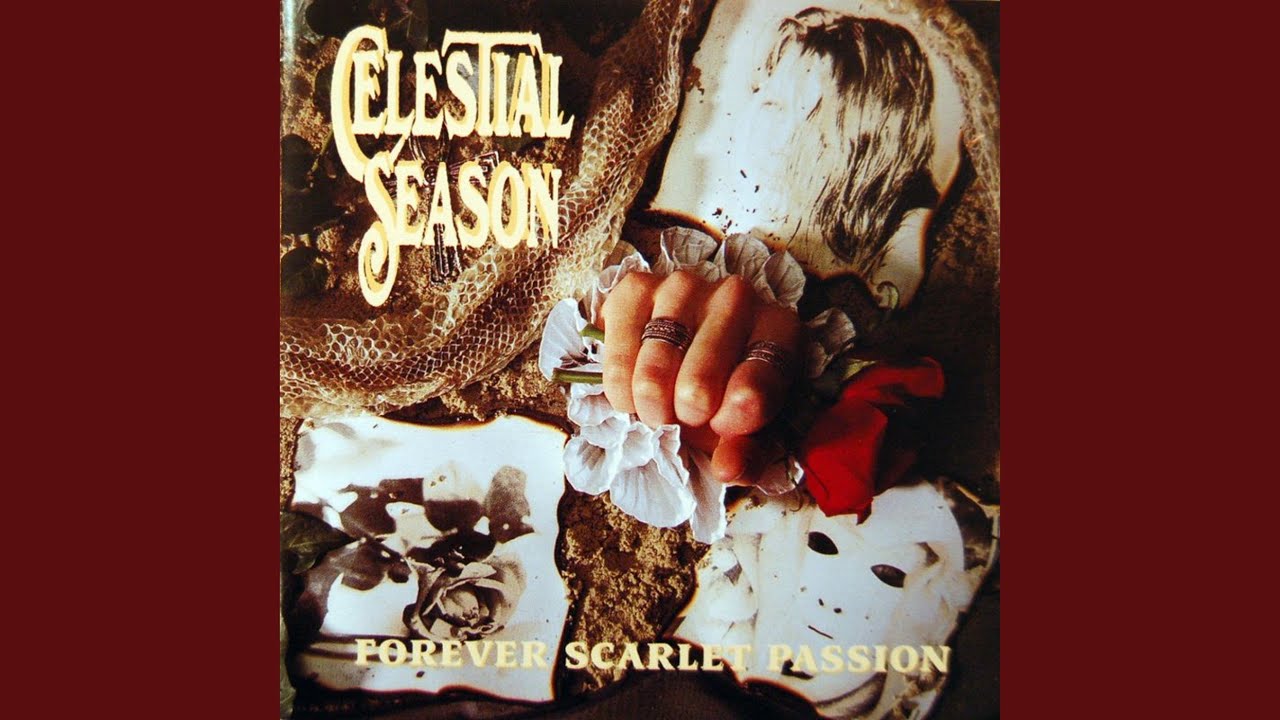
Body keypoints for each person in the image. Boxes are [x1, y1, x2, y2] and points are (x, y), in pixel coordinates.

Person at [598, 1, 965, 492]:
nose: (745, 119)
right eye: (759, 94)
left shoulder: (891, 260)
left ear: (851, 140)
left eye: (774, 106)